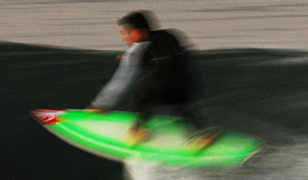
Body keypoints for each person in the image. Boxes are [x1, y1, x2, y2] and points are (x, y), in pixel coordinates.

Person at [88, 11, 217, 147]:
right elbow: (179, 56)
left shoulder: (137, 50)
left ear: (141, 31)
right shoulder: (169, 35)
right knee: (179, 103)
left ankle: (137, 131)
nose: (125, 38)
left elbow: (121, 81)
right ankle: (201, 134)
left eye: (128, 33)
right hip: (188, 86)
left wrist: (103, 104)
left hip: (166, 88)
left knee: (141, 89)